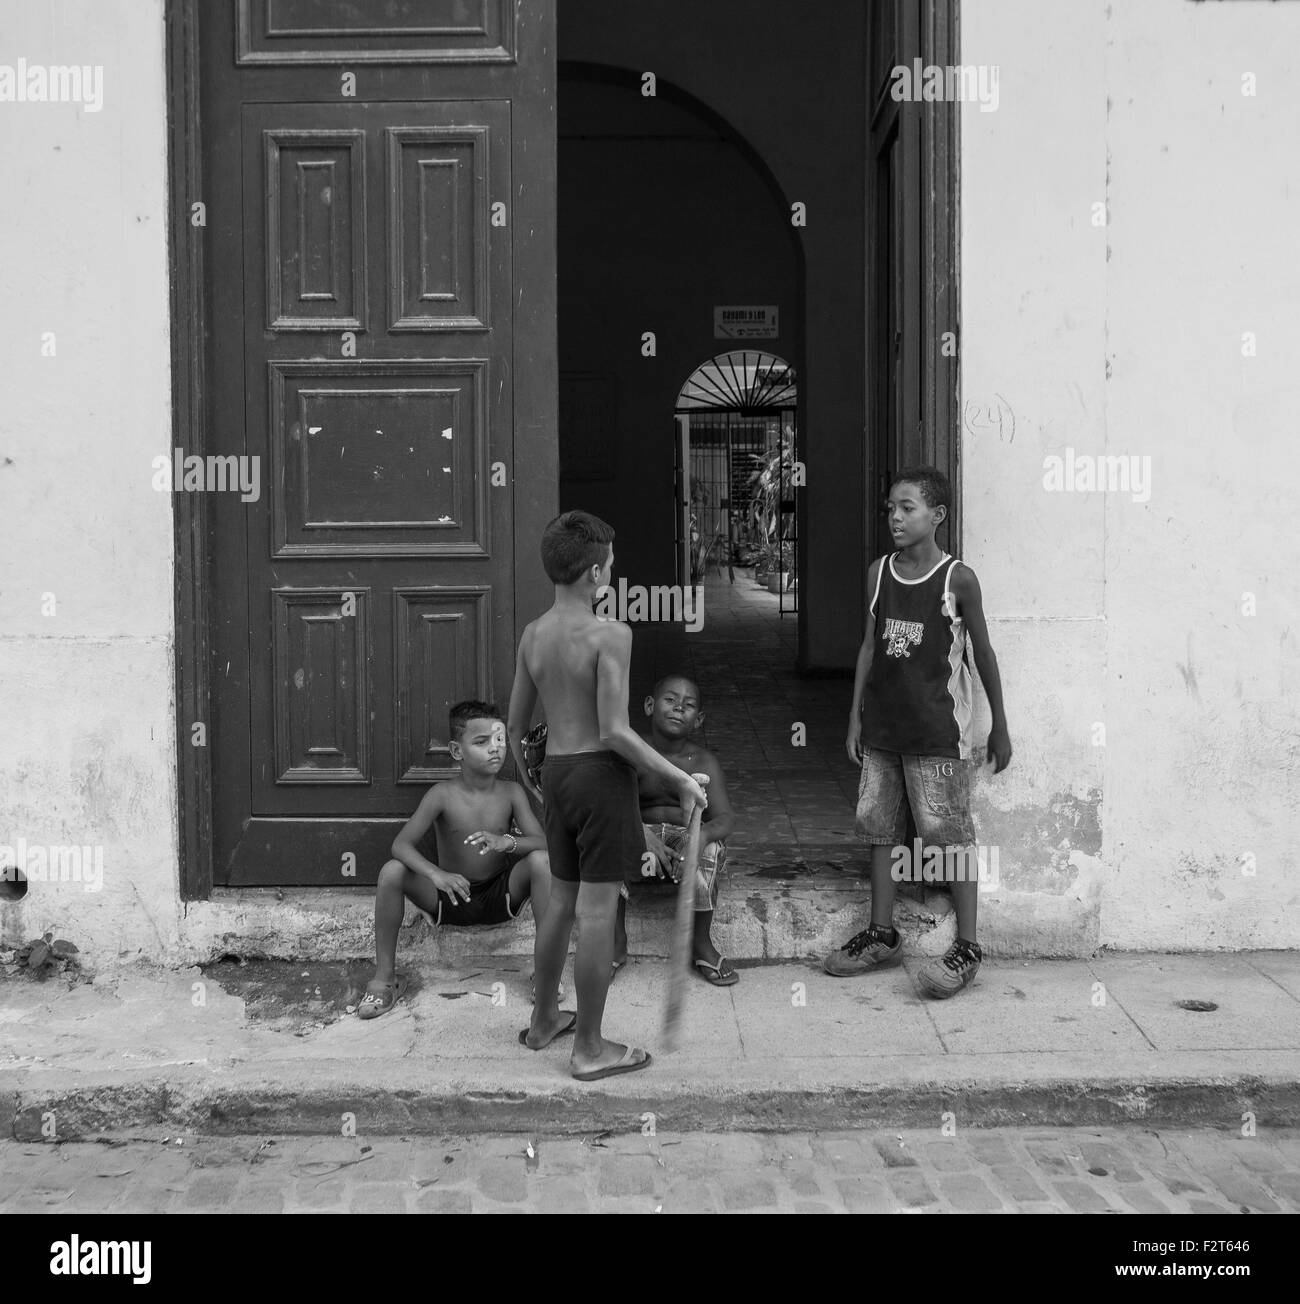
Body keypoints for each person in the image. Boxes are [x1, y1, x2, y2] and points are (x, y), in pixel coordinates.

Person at [508, 510, 708, 1080]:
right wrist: (678, 777)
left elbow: (517, 729)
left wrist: (539, 787)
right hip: (600, 778)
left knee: (561, 905)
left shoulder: (533, 635)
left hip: (561, 778)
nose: (614, 572)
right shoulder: (610, 633)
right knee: (596, 915)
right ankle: (590, 1048)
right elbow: (616, 731)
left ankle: (544, 1020)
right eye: (612, 564)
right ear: (595, 573)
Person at [824, 467, 1012, 997]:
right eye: (890, 508)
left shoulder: (958, 580)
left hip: (936, 734)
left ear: (938, 516)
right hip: (884, 729)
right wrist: (855, 715)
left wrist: (998, 723)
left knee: (948, 836)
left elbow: (981, 652)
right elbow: (868, 646)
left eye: (907, 508)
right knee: (879, 829)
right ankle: (883, 934)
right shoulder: (879, 573)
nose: (896, 517)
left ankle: (968, 947)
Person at [356, 701, 552, 1018]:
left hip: (499, 895)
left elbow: (544, 843)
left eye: (499, 740)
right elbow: (401, 846)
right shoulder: (441, 795)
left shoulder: (512, 793)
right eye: (481, 742)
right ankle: (385, 979)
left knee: (542, 861)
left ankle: (545, 974)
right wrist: (436, 875)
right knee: (392, 872)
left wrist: (508, 842)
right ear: (456, 750)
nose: (495, 749)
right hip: (449, 896)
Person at [615, 674, 738, 986]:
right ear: (649, 705)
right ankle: (615, 940)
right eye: (670, 700)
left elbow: (724, 818)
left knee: (712, 848)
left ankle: (700, 943)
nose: (678, 708)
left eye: (689, 705)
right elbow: (612, 806)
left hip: (686, 845)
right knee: (609, 838)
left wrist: (701, 839)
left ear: (699, 720)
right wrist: (640, 832)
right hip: (639, 836)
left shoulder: (703, 760)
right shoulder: (632, 754)